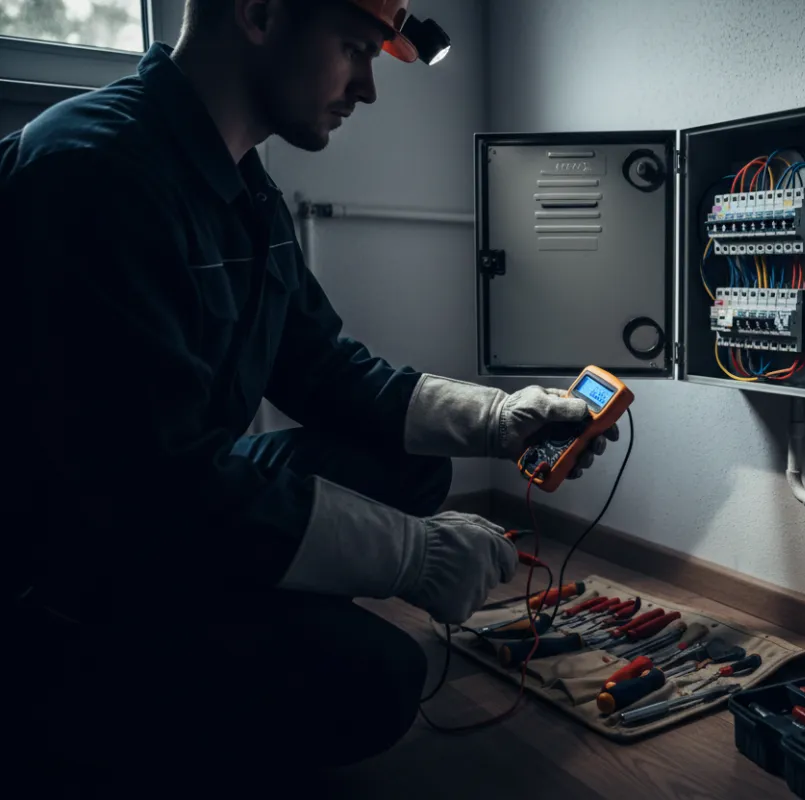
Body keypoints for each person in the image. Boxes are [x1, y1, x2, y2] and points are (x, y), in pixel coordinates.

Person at [0, 0, 616, 787]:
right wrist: (411, 555)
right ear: (258, 13)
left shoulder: (240, 188)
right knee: (373, 682)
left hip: (163, 508)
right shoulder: (94, 173)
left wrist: (499, 421)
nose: (367, 88)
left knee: (416, 468)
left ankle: (265, 612)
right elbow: (159, 491)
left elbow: (325, 368)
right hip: (66, 583)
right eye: (355, 49)